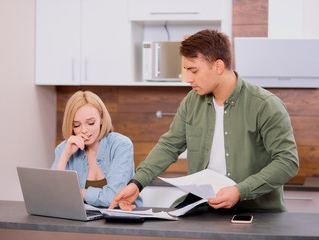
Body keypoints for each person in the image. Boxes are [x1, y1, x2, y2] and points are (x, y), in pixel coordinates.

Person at [109, 29, 299, 212]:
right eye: (186, 70)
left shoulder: (265, 105)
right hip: (203, 207)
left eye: (193, 70)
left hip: (256, 211)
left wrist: (240, 191)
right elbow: (169, 146)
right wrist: (137, 183)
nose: (187, 78)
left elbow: (287, 161)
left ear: (218, 66)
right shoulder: (192, 102)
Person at [52, 90, 142, 207]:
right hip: (80, 220)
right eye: (77, 125)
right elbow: (53, 195)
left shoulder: (121, 145)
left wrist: (77, 192)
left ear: (101, 119)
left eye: (90, 123)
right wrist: (65, 155)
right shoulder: (65, 148)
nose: (84, 130)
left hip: (120, 219)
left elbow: (113, 198)